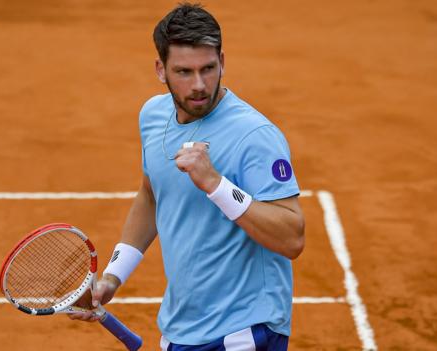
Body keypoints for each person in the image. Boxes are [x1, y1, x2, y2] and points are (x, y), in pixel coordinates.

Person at [70, 3, 305, 350]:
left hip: (244, 330)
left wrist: (216, 184)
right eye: (184, 72)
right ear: (160, 70)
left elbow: (292, 238)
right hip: (182, 327)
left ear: (222, 63)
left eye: (208, 69)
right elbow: (151, 196)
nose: (199, 85)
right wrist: (113, 277)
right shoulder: (153, 116)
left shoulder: (254, 135)